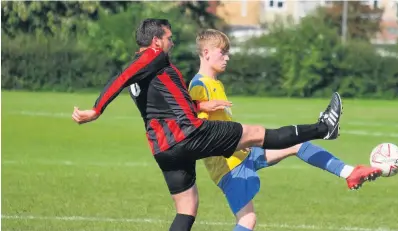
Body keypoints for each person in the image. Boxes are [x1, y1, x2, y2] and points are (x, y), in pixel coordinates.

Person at [71, 19, 345, 231]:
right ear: (156, 42)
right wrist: (96, 109)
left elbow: (163, 109)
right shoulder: (152, 58)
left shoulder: (145, 77)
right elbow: (122, 76)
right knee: (256, 134)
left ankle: (323, 130)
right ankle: (324, 127)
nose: (173, 42)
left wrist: (201, 106)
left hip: (163, 150)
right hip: (190, 134)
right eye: (169, 38)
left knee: (187, 209)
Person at [188, 29, 383, 231]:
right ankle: (324, 129)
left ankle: (350, 172)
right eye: (223, 52)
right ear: (207, 52)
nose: (227, 57)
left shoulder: (214, 83)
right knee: (247, 220)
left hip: (243, 153)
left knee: (297, 145)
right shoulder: (199, 86)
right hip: (228, 166)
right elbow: (199, 131)